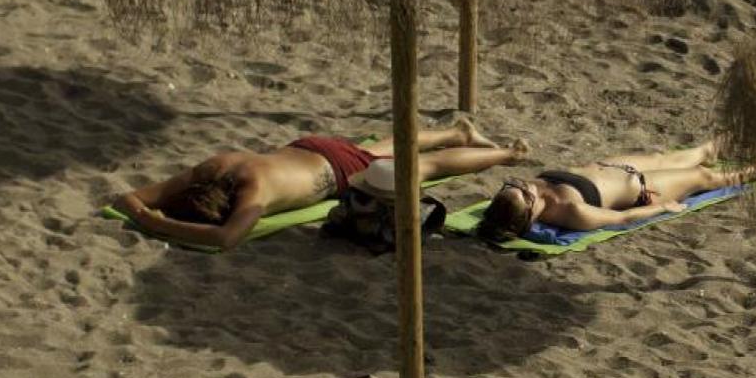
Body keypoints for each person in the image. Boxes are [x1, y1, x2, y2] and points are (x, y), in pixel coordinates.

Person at [117, 118, 526, 250]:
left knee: (424, 167)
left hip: (336, 171)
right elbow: (131, 196)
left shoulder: (252, 194)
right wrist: (140, 207)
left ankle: (507, 153)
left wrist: (153, 223)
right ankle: (455, 130)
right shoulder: (215, 166)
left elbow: (226, 238)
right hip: (310, 147)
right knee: (383, 149)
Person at [476, 141, 756, 241]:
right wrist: (663, 208)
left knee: (696, 151)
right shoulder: (572, 212)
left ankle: (749, 126)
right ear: (529, 212)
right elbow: (621, 219)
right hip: (643, 187)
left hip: (617, 166)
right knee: (704, 176)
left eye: (512, 184)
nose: (522, 183)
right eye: (521, 191)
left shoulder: (535, 190)